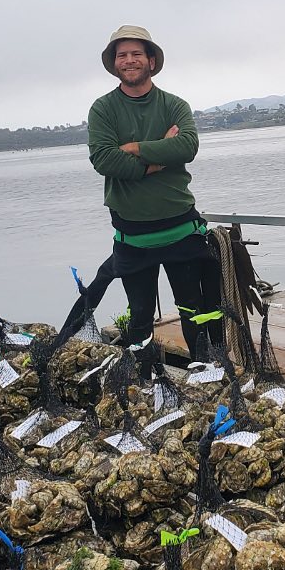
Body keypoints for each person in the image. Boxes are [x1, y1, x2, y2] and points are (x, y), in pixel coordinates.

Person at [86, 24, 222, 355]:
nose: (129, 60)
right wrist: (158, 157)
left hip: (181, 229)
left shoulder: (174, 105)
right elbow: (104, 160)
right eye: (122, 55)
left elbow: (187, 147)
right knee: (140, 318)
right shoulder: (103, 109)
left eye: (136, 54)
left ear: (151, 60)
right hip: (132, 237)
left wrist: (132, 148)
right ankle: (144, 384)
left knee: (196, 310)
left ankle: (207, 370)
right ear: (114, 63)